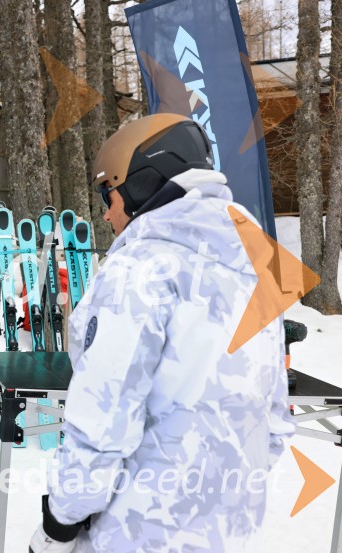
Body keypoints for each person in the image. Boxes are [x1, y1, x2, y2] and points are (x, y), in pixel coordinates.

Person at [29, 114, 295, 552]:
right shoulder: (259, 265)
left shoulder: (138, 269)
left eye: (107, 193)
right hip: (230, 528)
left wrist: (61, 519)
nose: (106, 211)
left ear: (140, 184)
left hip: (140, 530)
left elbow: (102, 423)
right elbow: (274, 421)